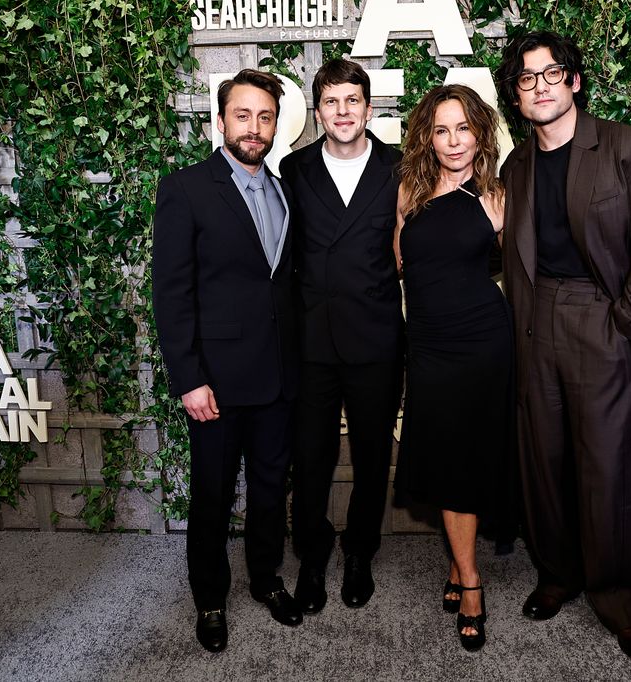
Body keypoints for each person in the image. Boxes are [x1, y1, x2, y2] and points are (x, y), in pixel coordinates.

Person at [495, 32, 631, 661]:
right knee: (542, 462)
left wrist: (623, 320)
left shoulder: (630, 147)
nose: (540, 85)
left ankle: (623, 602)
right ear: (516, 96)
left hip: (599, 317)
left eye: (552, 74)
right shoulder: (515, 166)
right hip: (534, 319)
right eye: (526, 78)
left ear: (574, 81)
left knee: (605, 466)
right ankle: (558, 574)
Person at [152, 69, 304, 654]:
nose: (254, 128)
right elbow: (172, 293)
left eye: (265, 117)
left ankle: (266, 579)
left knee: (270, 489)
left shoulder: (285, 187)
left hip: (278, 377)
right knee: (212, 495)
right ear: (221, 121)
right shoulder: (186, 188)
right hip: (214, 382)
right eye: (243, 115)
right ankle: (210, 599)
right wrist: (189, 379)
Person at [278, 59, 404, 613]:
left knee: (374, 454)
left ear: (368, 107)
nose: (342, 111)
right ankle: (311, 554)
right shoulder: (294, 168)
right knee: (310, 457)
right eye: (331, 102)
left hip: (376, 338)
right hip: (312, 342)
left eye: (352, 100)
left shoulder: (401, 168)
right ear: (318, 110)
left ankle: (359, 551)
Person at [393, 84, 511, 652]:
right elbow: (402, 261)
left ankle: (470, 582)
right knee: (444, 459)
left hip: (482, 342)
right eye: (442, 129)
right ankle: (460, 565)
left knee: (466, 463)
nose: (453, 140)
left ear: (480, 133)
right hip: (430, 345)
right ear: (427, 137)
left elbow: (529, 269)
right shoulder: (411, 191)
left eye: (463, 127)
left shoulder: (496, 197)